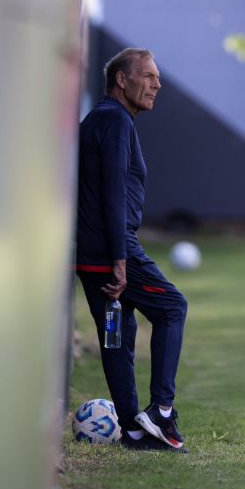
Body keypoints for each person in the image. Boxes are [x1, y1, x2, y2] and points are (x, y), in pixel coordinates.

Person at [76, 48, 188, 452]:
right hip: (112, 250)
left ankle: (134, 432)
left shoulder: (98, 119)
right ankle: (161, 411)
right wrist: (121, 261)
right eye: (148, 76)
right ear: (122, 80)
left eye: (157, 77)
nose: (157, 84)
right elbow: (113, 191)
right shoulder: (116, 120)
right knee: (172, 308)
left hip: (89, 255)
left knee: (116, 338)